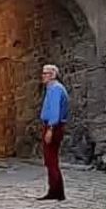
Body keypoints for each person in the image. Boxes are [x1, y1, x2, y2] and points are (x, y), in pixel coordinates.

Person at [39, 64, 69, 201]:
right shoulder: (51, 89)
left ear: (52, 75)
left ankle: (57, 191)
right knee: (50, 159)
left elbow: (55, 111)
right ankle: (54, 190)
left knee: (51, 159)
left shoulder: (56, 89)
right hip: (51, 126)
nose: (43, 76)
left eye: (46, 73)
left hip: (53, 127)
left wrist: (50, 129)